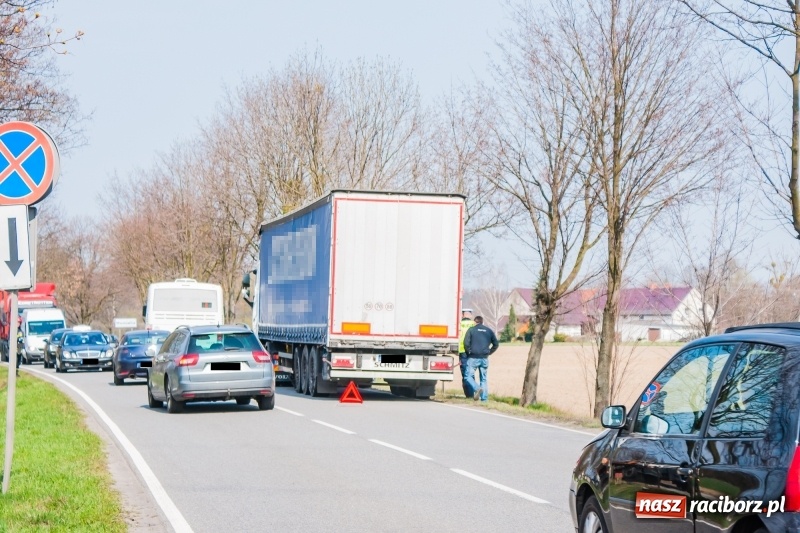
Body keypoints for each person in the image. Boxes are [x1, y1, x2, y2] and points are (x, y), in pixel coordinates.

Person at [463, 316, 499, 402]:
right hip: (484, 358)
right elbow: (496, 344)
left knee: (468, 376)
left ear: (475, 322)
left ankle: (477, 388)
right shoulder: (489, 331)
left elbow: (466, 343)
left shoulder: (471, 330)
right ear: (482, 322)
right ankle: (484, 399)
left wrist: (469, 352)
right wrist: (489, 352)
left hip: (473, 357)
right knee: (483, 378)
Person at [458, 308, 476, 397]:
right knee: (471, 372)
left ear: (462, 315)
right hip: (472, 351)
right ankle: (473, 392)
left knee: (465, 373)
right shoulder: (474, 324)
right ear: (471, 315)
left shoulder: (459, 324)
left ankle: (469, 395)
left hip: (462, 351)